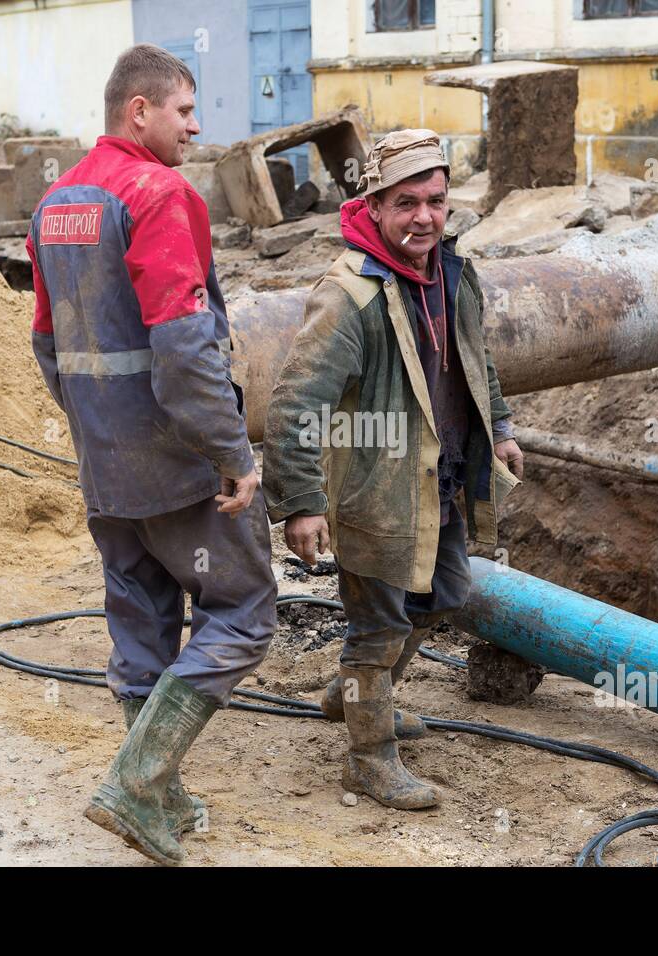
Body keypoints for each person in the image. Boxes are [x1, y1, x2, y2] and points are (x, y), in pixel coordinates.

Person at [27, 43, 276, 866]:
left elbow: (46, 347)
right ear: (140, 111)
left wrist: (96, 430)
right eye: (184, 110)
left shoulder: (57, 201)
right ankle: (138, 781)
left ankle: (156, 794)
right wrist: (233, 453)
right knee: (241, 612)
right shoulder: (158, 191)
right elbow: (186, 346)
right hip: (175, 464)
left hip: (104, 461)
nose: (196, 128)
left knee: (140, 623)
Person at [263, 129, 525, 811]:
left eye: (435, 201)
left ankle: (351, 698)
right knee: (378, 629)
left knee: (439, 598)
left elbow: (478, 358)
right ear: (374, 206)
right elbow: (295, 402)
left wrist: (498, 428)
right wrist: (301, 502)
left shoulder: (452, 273)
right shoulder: (348, 294)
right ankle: (369, 759)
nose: (424, 217)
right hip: (375, 491)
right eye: (405, 202)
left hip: (438, 482)